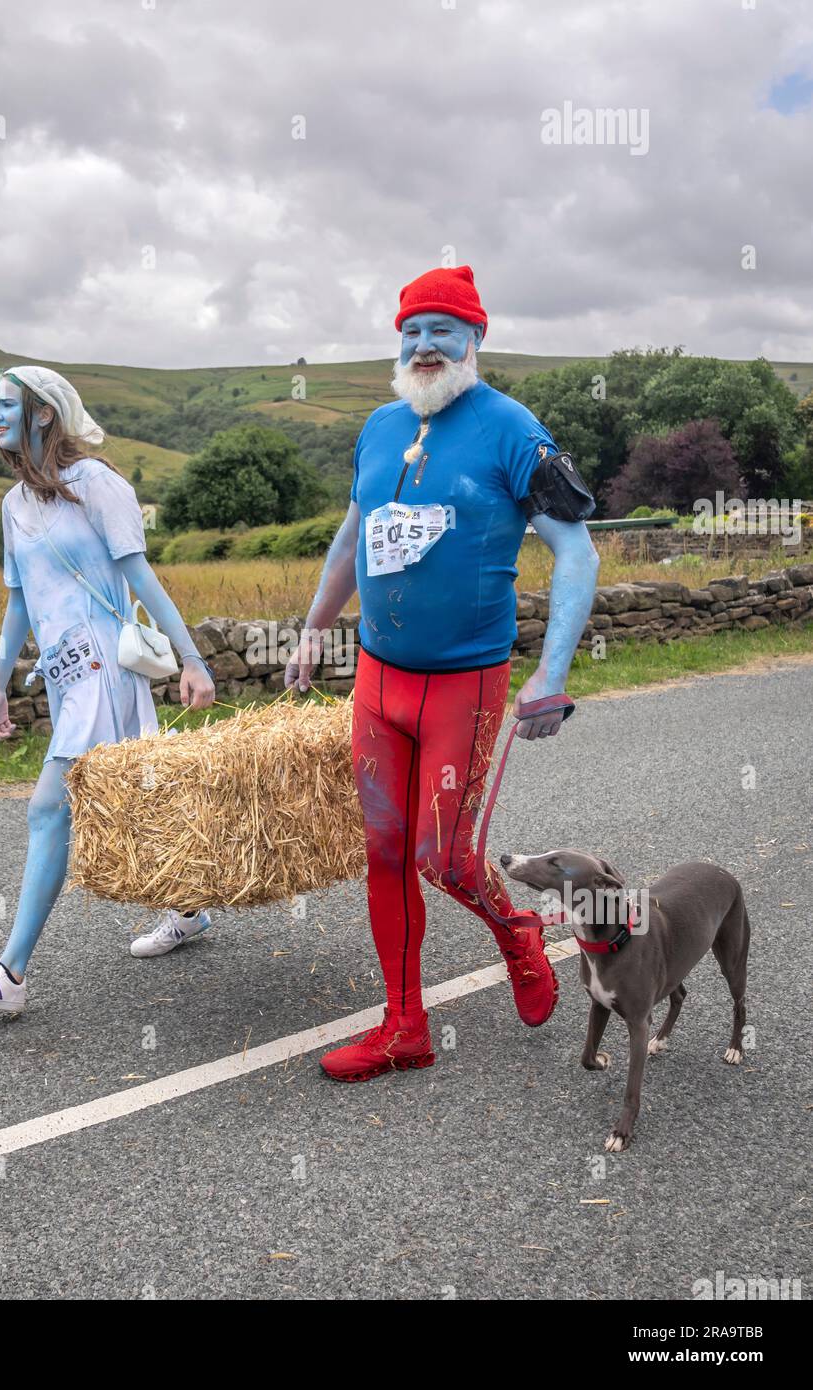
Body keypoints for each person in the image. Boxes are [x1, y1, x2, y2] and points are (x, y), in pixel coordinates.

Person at [285, 264, 600, 1082]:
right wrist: (313, 632)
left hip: (465, 684)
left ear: (475, 339)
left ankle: (517, 933)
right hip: (378, 679)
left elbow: (577, 552)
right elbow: (352, 540)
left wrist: (552, 673)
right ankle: (403, 1027)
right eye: (411, 331)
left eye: (441, 330)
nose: (425, 345)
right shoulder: (383, 427)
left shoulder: (512, 430)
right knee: (384, 850)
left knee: (445, 858)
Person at [0, 366, 217, 1014]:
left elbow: (142, 580)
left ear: (43, 414)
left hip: (106, 671)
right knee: (128, 804)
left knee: (49, 808)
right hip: (64, 678)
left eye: (5, 403)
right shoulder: (13, 506)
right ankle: (189, 910)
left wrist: (192, 660)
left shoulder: (96, 485)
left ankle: (9, 975)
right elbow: (19, 603)